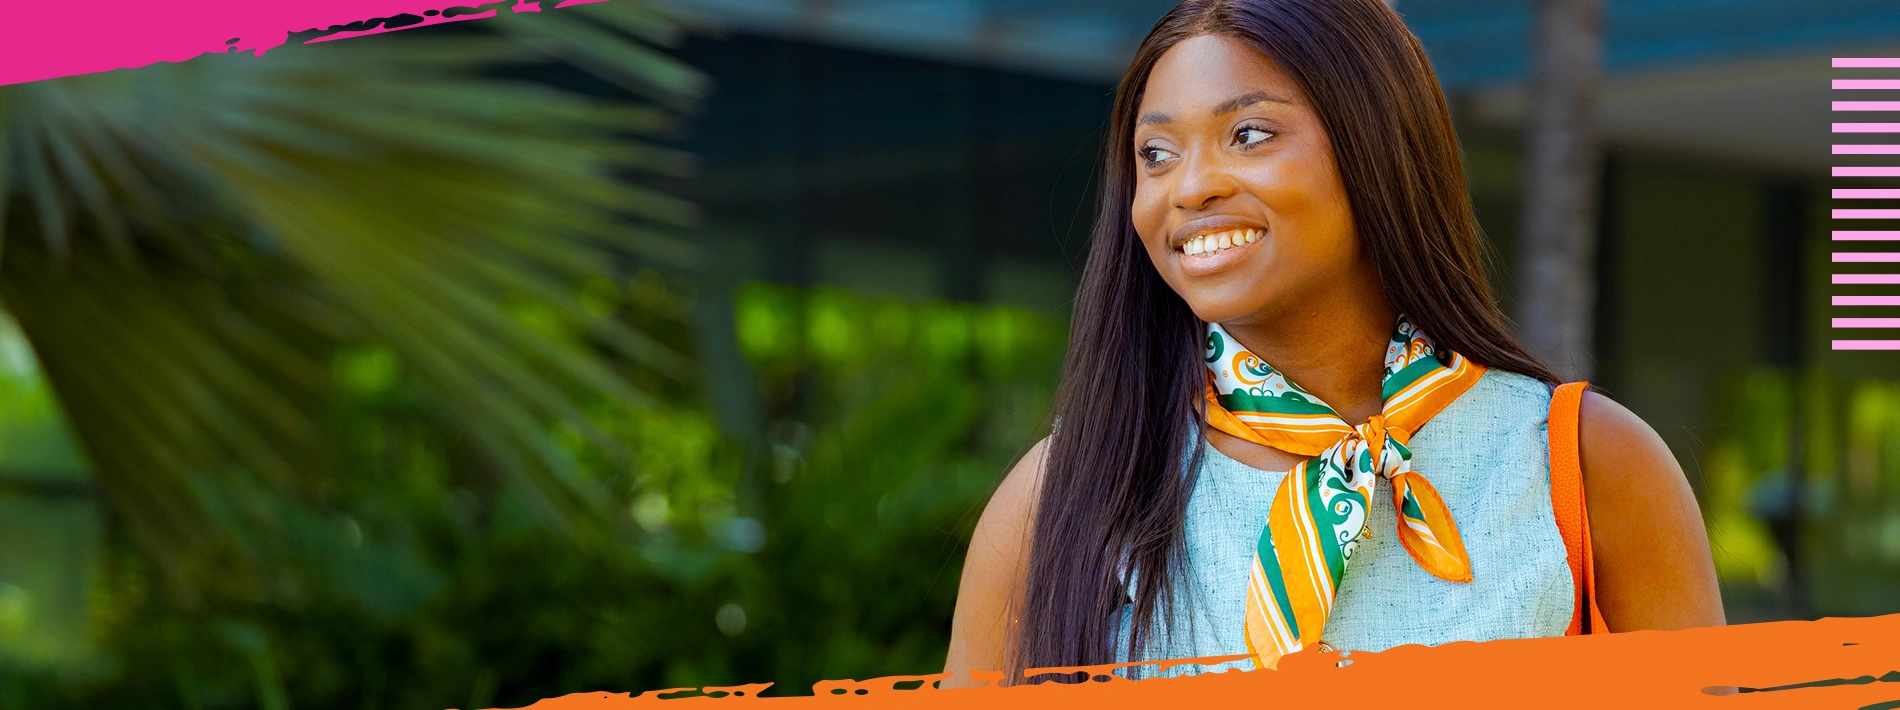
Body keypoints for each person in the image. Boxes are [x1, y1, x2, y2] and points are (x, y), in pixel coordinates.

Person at [942, 0, 1724, 686]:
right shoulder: (1065, 495)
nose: (1190, 187)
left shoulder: (1586, 467)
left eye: (1248, 134)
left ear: (1376, 145)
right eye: (1157, 154)